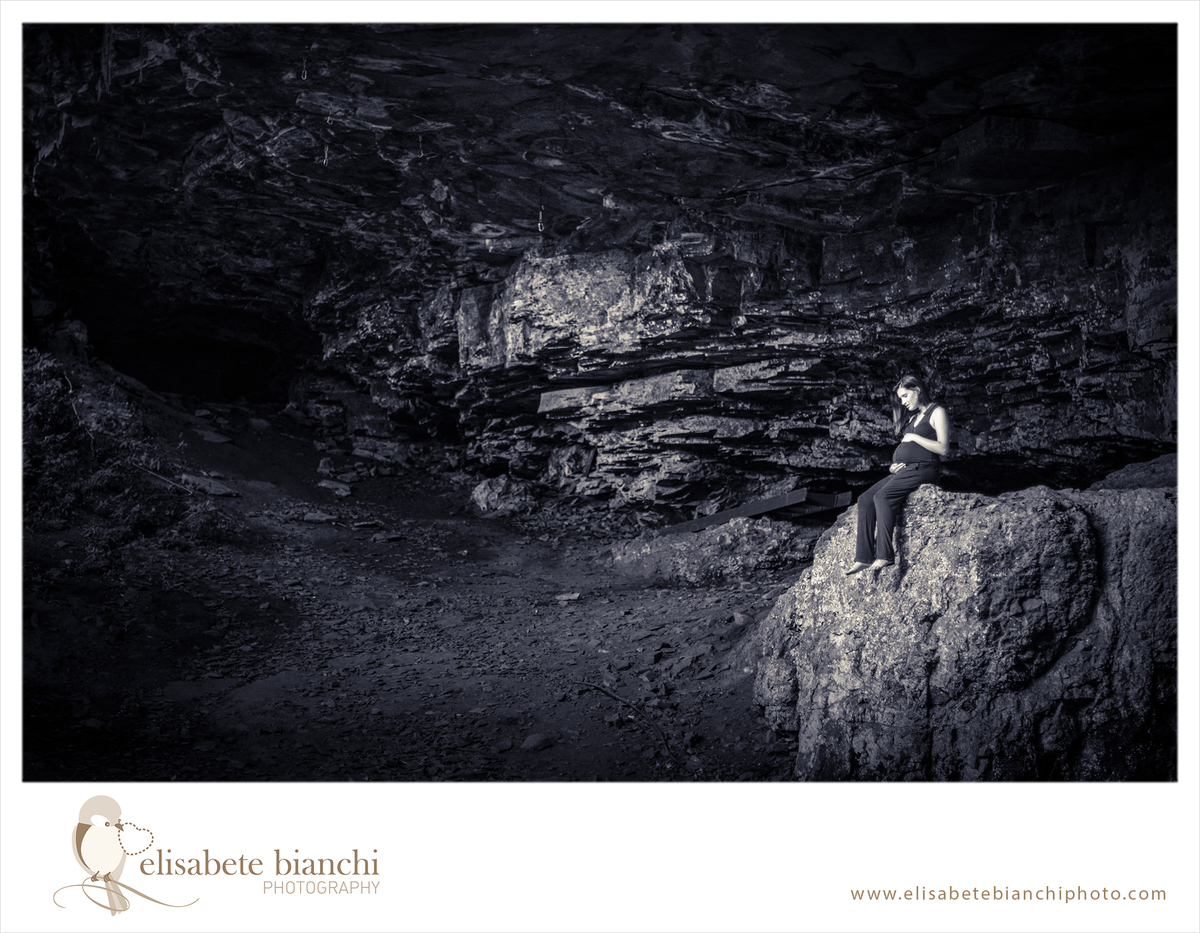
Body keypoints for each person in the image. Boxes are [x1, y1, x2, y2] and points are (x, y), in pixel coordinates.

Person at [845, 375, 949, 574]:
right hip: (906, 469)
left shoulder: (936, 412)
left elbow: (943, 448)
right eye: (900, 398)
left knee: (882, 497)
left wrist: (914, 437)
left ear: (917, 390)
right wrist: (895, 466)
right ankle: (864, 557)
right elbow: (907, 450)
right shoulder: (912, 418)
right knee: (865, 499)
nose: (903, 402)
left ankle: (884, 555)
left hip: (925, 468)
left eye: (905, 396)